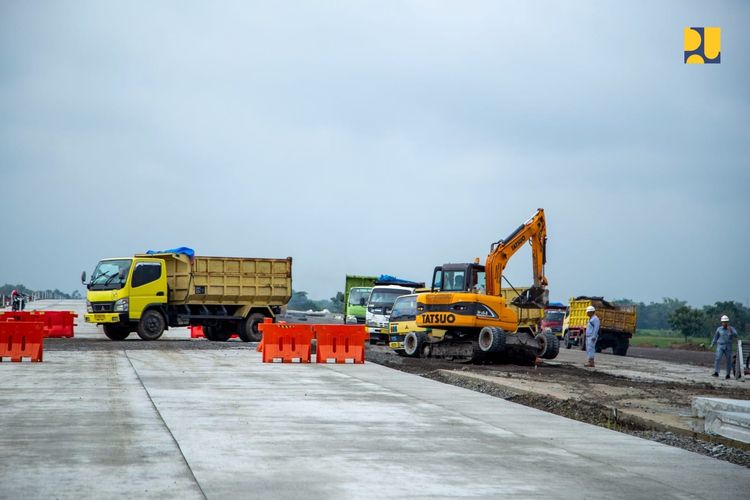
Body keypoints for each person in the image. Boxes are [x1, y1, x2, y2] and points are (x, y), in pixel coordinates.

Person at [710, 315, 738, 379]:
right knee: (718, 358)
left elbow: (736, 335)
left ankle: (728, 374)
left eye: (726, 322)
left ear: (728, 322)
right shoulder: (719, 329)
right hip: (720, 345)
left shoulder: (732, 328)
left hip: (728, 346)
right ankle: (716, 372)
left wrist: (730, 330)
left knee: (728, 360)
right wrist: (712, 344)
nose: (724, 323)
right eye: (723, 322)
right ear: (721, 322)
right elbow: (716, 337)